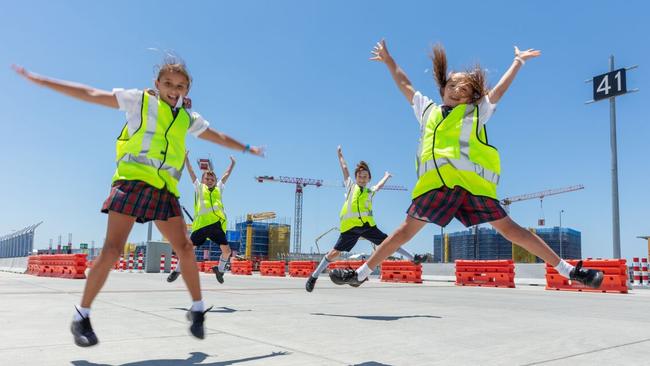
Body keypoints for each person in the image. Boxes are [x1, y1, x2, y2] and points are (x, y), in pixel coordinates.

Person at [12, 57, 264, 347]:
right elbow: (91, 94)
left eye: (180, 86)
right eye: (168, 83)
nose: (173, 89)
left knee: (184, 248)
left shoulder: (187, 118)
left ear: (187, 89)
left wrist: (247, 148)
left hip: (164, 190)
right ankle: (82, 315)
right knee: (112, 249)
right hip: (131, 183)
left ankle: (197, 310)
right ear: (157, 84)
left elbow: (217, 136)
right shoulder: (139, 102)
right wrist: (42, 81)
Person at [329, 40, 603, 289]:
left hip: (471, 188)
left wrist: (518, 62)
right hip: (435, 187)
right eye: (453, 84)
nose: (458, 88)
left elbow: (498, 92)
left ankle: (569, 270)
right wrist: (389, 61)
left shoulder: (477, 112)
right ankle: (361, 274)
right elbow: (405, 85)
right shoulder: (427, 110)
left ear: (472, 96)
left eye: (465, 87)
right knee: (403, 232)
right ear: (443, 88)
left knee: (512, 231)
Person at [306, 146, 427, 292]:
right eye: (360, 176)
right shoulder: (350, 187)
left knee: (389, 242)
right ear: (356, 178)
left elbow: (379, 186)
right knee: (333, 253)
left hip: (368, 227)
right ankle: (313, 276)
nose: (362, 179)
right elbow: (345, 169)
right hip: (350, 228)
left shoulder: (370, 192)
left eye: (365, 177)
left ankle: (413, 257)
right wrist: (340, 156)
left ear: (369, 179)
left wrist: (386, 177)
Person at [168, 153, 234, 284]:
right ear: (203, 180)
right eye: (207, 179)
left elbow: (226, 175)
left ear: (215, 181)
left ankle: (220, 270)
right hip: (201, 226)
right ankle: (177, 270)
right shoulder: (199, 188)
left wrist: (232, 164)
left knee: (227, 252)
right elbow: (191, 172)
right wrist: (186, 160)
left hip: (216, 226)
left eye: (212, 179)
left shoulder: (218, 189)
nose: (209, 181)